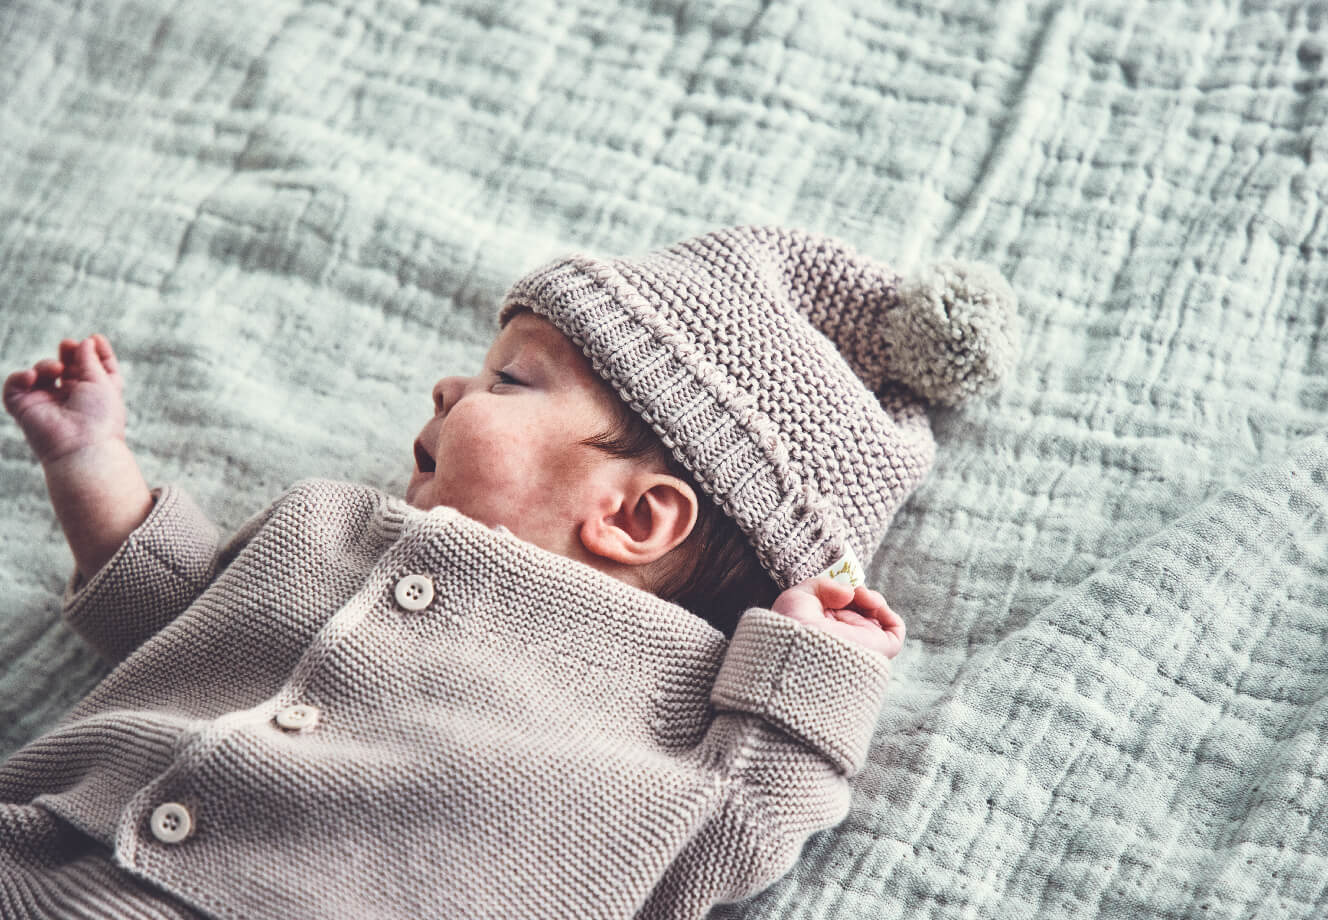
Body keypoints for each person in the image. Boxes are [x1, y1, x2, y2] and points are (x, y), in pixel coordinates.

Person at [0, 225, 1017, 918]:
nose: (449, 383)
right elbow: (171, 619)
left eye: (507, 378)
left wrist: (817, 666)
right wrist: (91, 462)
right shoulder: (330, 526)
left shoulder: (679, 700)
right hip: (44, 854)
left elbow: (748, 817)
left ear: (635, 514)